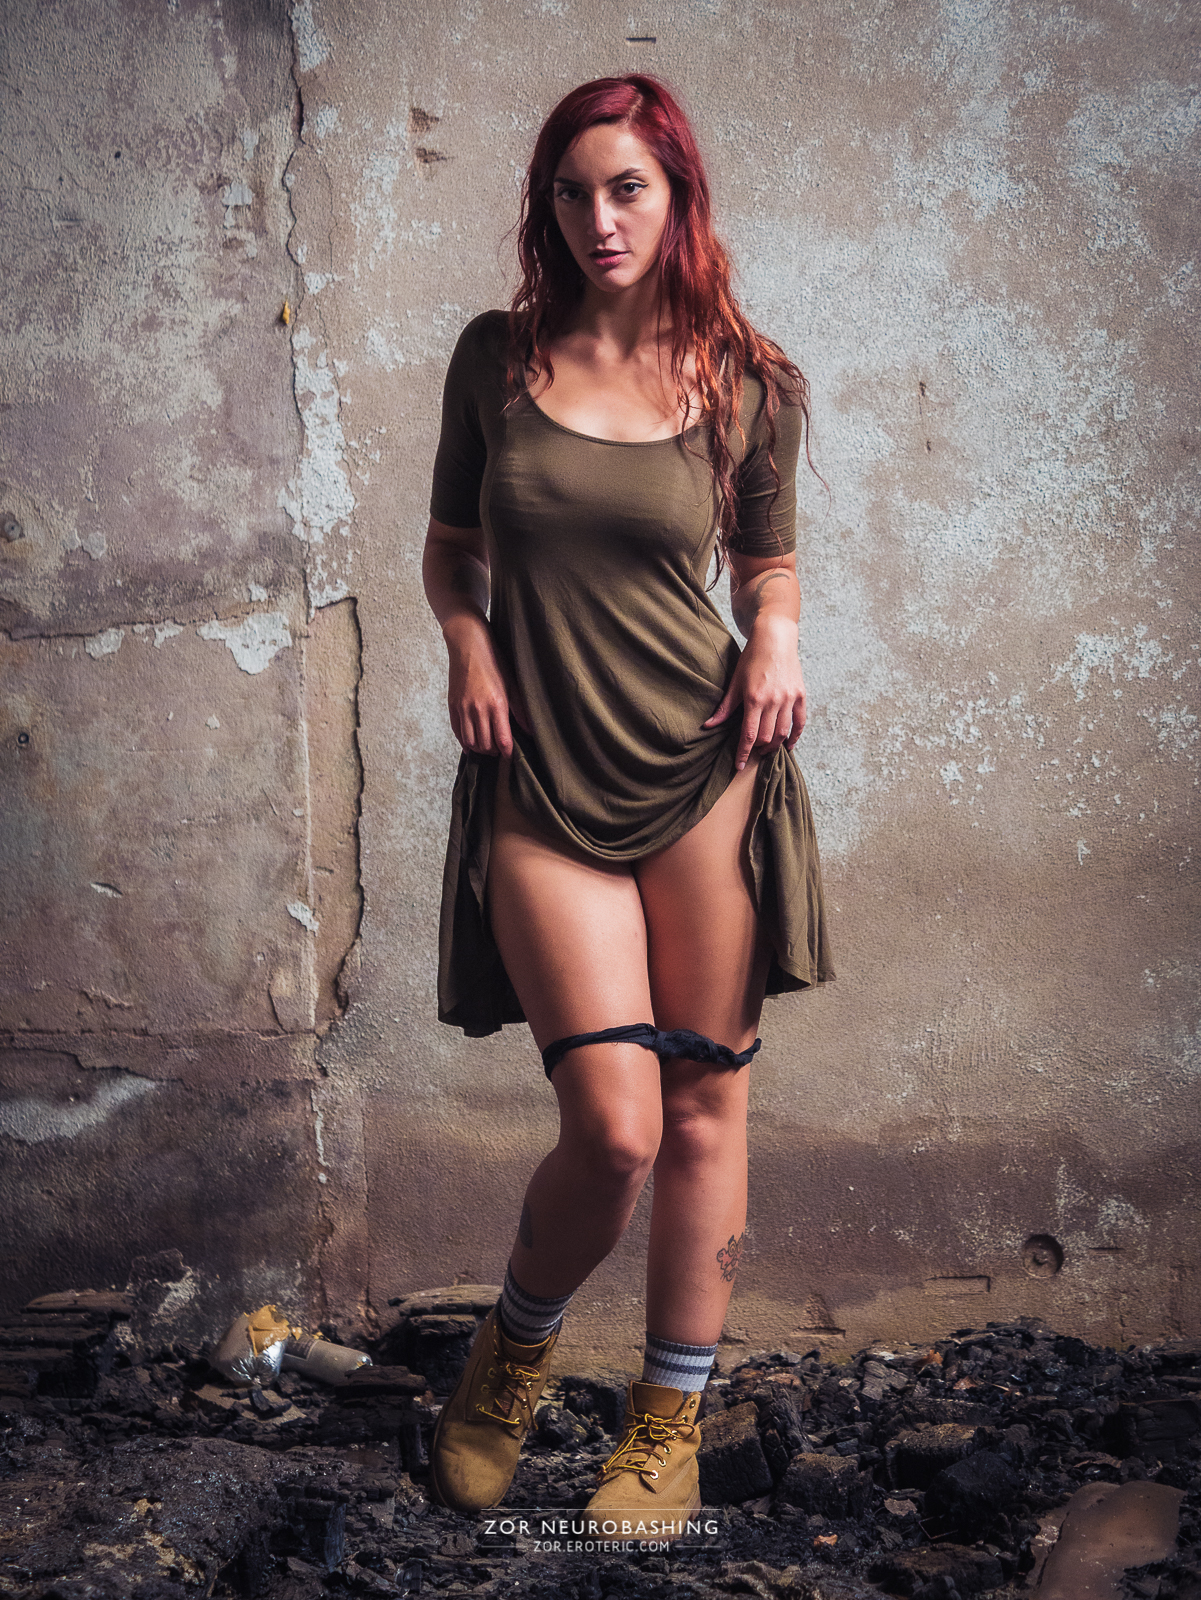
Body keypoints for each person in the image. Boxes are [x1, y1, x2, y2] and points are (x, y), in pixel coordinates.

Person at [421, 73, 832, 1524]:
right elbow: (452, 547)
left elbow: (767, 564)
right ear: (546, 206)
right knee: (614, 1130)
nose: (599, 219)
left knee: (704, 1112)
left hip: (705, 764)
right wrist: (468, 644)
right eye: (572, 192)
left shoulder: (747, 381)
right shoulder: (494, 359)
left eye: (627, 190)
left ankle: (666, 1428)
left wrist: (775, 635)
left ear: (676, 199)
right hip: (540, 777)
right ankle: (510, 1356)